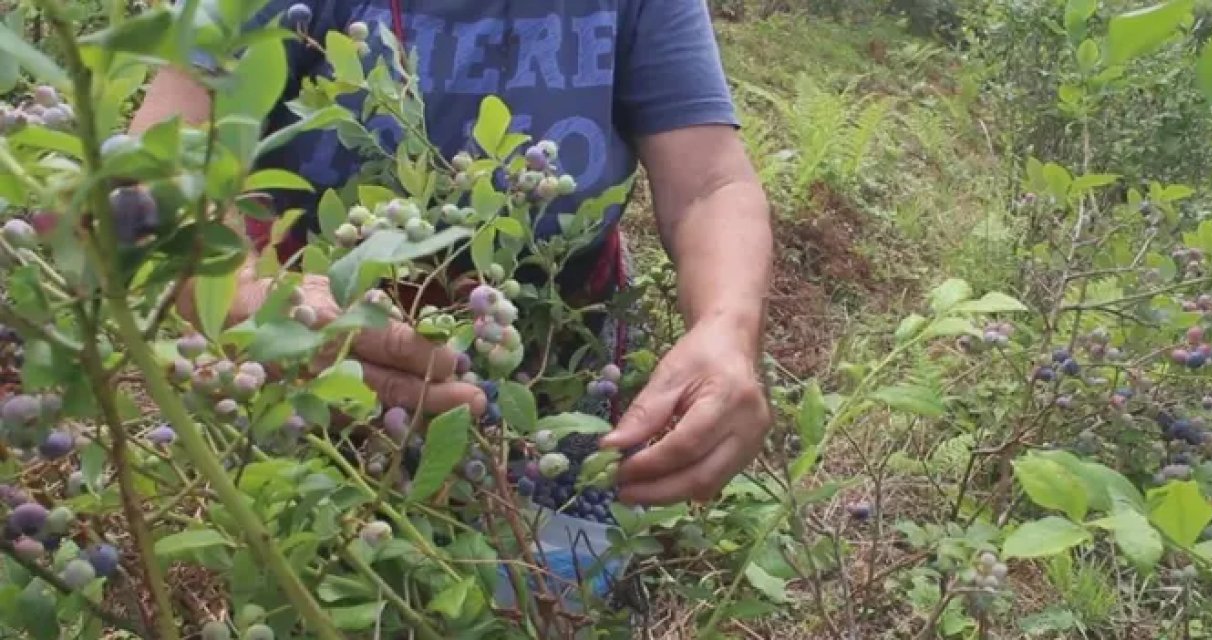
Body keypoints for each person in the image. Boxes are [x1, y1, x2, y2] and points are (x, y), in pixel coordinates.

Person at [129, 0, 774, 507]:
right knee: (338, 558)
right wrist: (250, 303)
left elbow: (710, 185)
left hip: (561, 343)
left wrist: (728, 327)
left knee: (550, 559)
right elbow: (156, 168)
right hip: (323, 342)